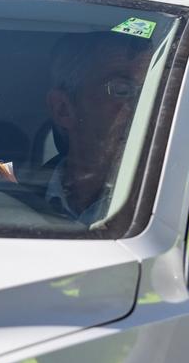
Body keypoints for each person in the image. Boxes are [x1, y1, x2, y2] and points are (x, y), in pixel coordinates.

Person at [41, 31, 151, 225]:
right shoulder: (6, 203)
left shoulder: (170, 204)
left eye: (154, 91)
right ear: (63, 109)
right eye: (122, 90)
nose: (146, 106)